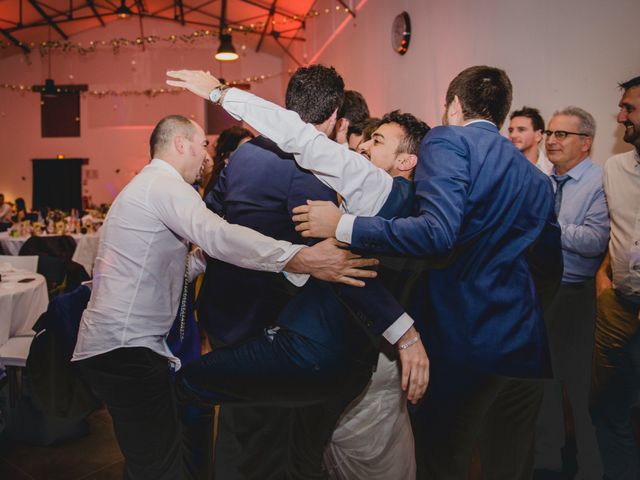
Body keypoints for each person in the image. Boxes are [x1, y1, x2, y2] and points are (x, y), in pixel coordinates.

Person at [167, 65, 563, 480]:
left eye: (377, 139)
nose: (364, 145)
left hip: (446, 345)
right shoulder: (536, 181)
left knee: (442, 459)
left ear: (454, 107)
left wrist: (221, 93)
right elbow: (549, 266)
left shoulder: (423, 162)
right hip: (521, 345)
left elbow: (304, 141)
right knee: (511, 462)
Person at [71, 114, 377, 480]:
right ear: (180, 144)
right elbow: (218, 234)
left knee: (152, 457)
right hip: (125, 350)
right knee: (160, 467)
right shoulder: (165, 187)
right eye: (202, 146)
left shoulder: (147, 186)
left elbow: (172, 270)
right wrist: (299, 257)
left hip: (117, 347)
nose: (207, 157)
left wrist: (205, 256)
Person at [178, 65, 428, 480]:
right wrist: (404, 332)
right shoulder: (317, 177)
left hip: (225, 309)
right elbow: (337, 264)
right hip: (274, 322)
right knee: (267, 437)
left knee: (237, 422)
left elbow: (212, 214)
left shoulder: (244, 153)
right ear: (334, 117)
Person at [324, 111, 426, 480]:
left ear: (405, 161)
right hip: (358, 352)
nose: (363, 145)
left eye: (377, 140)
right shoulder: (373, 200)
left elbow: (364, 278)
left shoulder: (406, 213)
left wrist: (335, 228)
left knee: (373, 457)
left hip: (377, 354)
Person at [534, 107, 608, 479]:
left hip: (578, 295)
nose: (551, 140)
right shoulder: (543, 181)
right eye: (549, 132)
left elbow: (596, 240)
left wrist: (549, 227)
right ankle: (548, 461)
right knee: (543, 381)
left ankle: (592, 467)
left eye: (562, 134)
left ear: (586, 143)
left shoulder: (599, 181)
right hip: (542, 292)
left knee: (581, 387)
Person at [591, 75, 640, 480]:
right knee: (609, 406)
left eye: (630, 108)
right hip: (618, 304)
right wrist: (604, 276)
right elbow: (616, 231)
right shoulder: (615, 168)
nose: (620, 116)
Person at [508, 106, 553, 175]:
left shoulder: (551, 171)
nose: (513, 135)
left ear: (538, 135)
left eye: (521, 130)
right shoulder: (502, 166)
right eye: (511, 130)